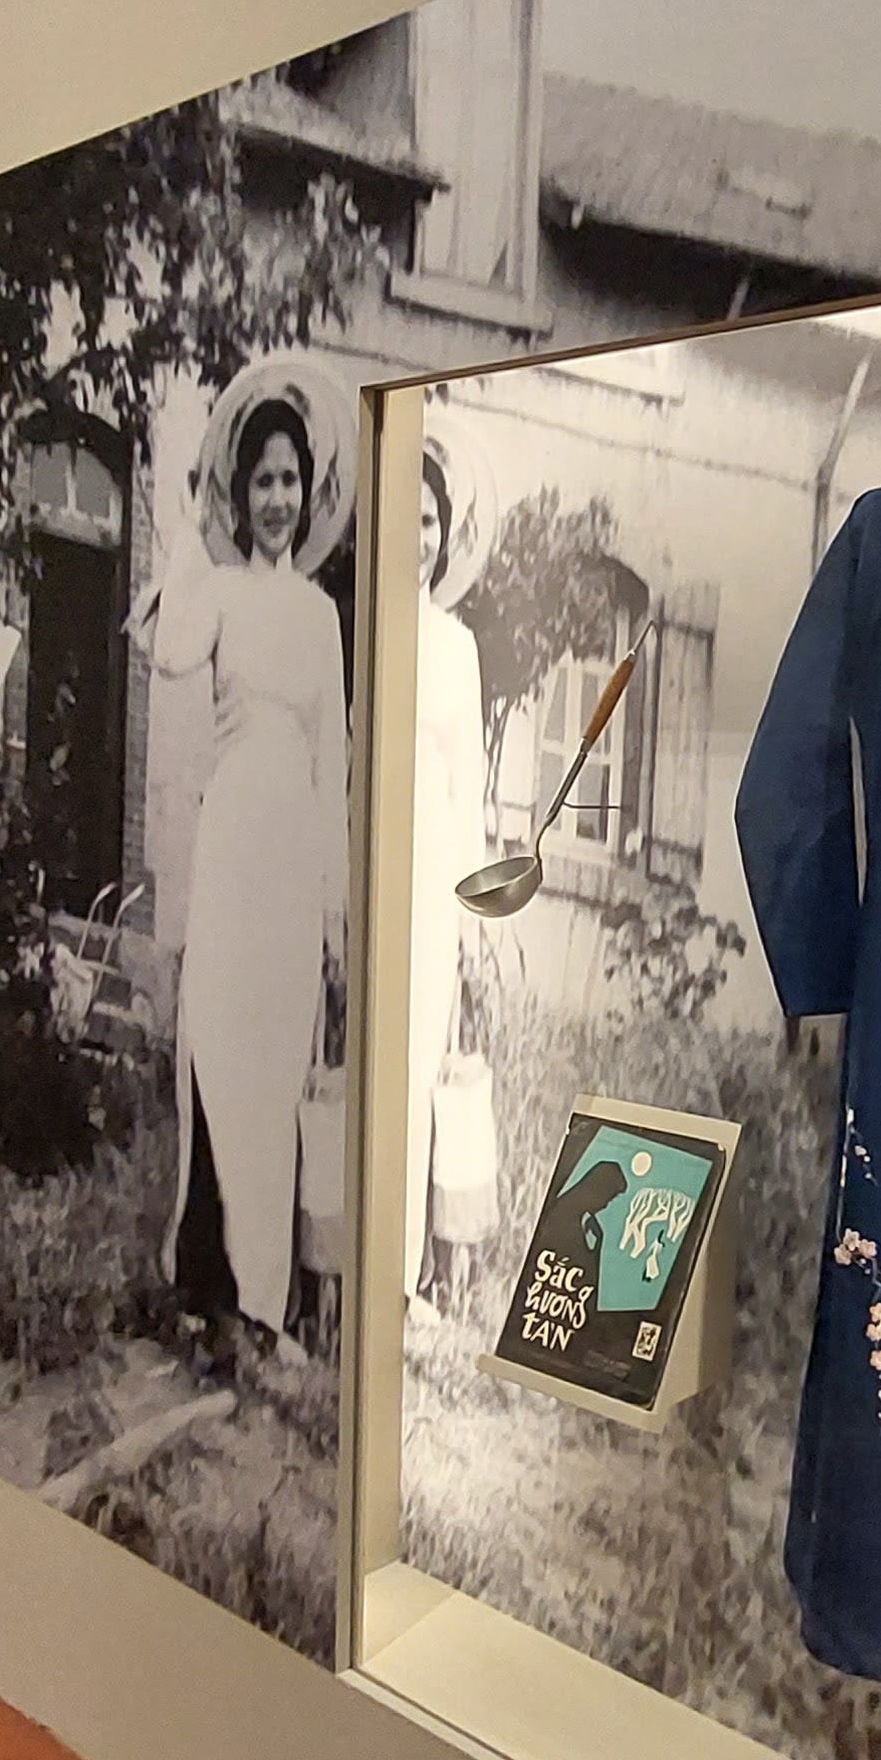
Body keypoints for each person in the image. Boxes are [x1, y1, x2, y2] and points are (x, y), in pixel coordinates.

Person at [147, 389, 349, 1363]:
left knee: (275, 1064)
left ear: (309, 493)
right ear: (241, 492)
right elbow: (168, 650)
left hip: (293, 854)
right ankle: (203, 1286)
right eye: (261, 480)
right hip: (231, 844)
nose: (276, 498)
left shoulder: (321, 614)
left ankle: (266, 1300)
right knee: (217, 1044)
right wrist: (193, 531)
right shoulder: (221, 592)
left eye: (289, 480)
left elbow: (333, 762)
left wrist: (334, 909)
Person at [406, 444, 489, 1302]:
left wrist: (468, 918)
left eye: (427, 521)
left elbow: (470, 793)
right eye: (404, 520)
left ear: (445, 533)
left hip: (432, 888)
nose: (416, 538)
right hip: (370, 876)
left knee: (421, 1071)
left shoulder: (457, 649)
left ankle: (405, 1277)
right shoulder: (365, 633)